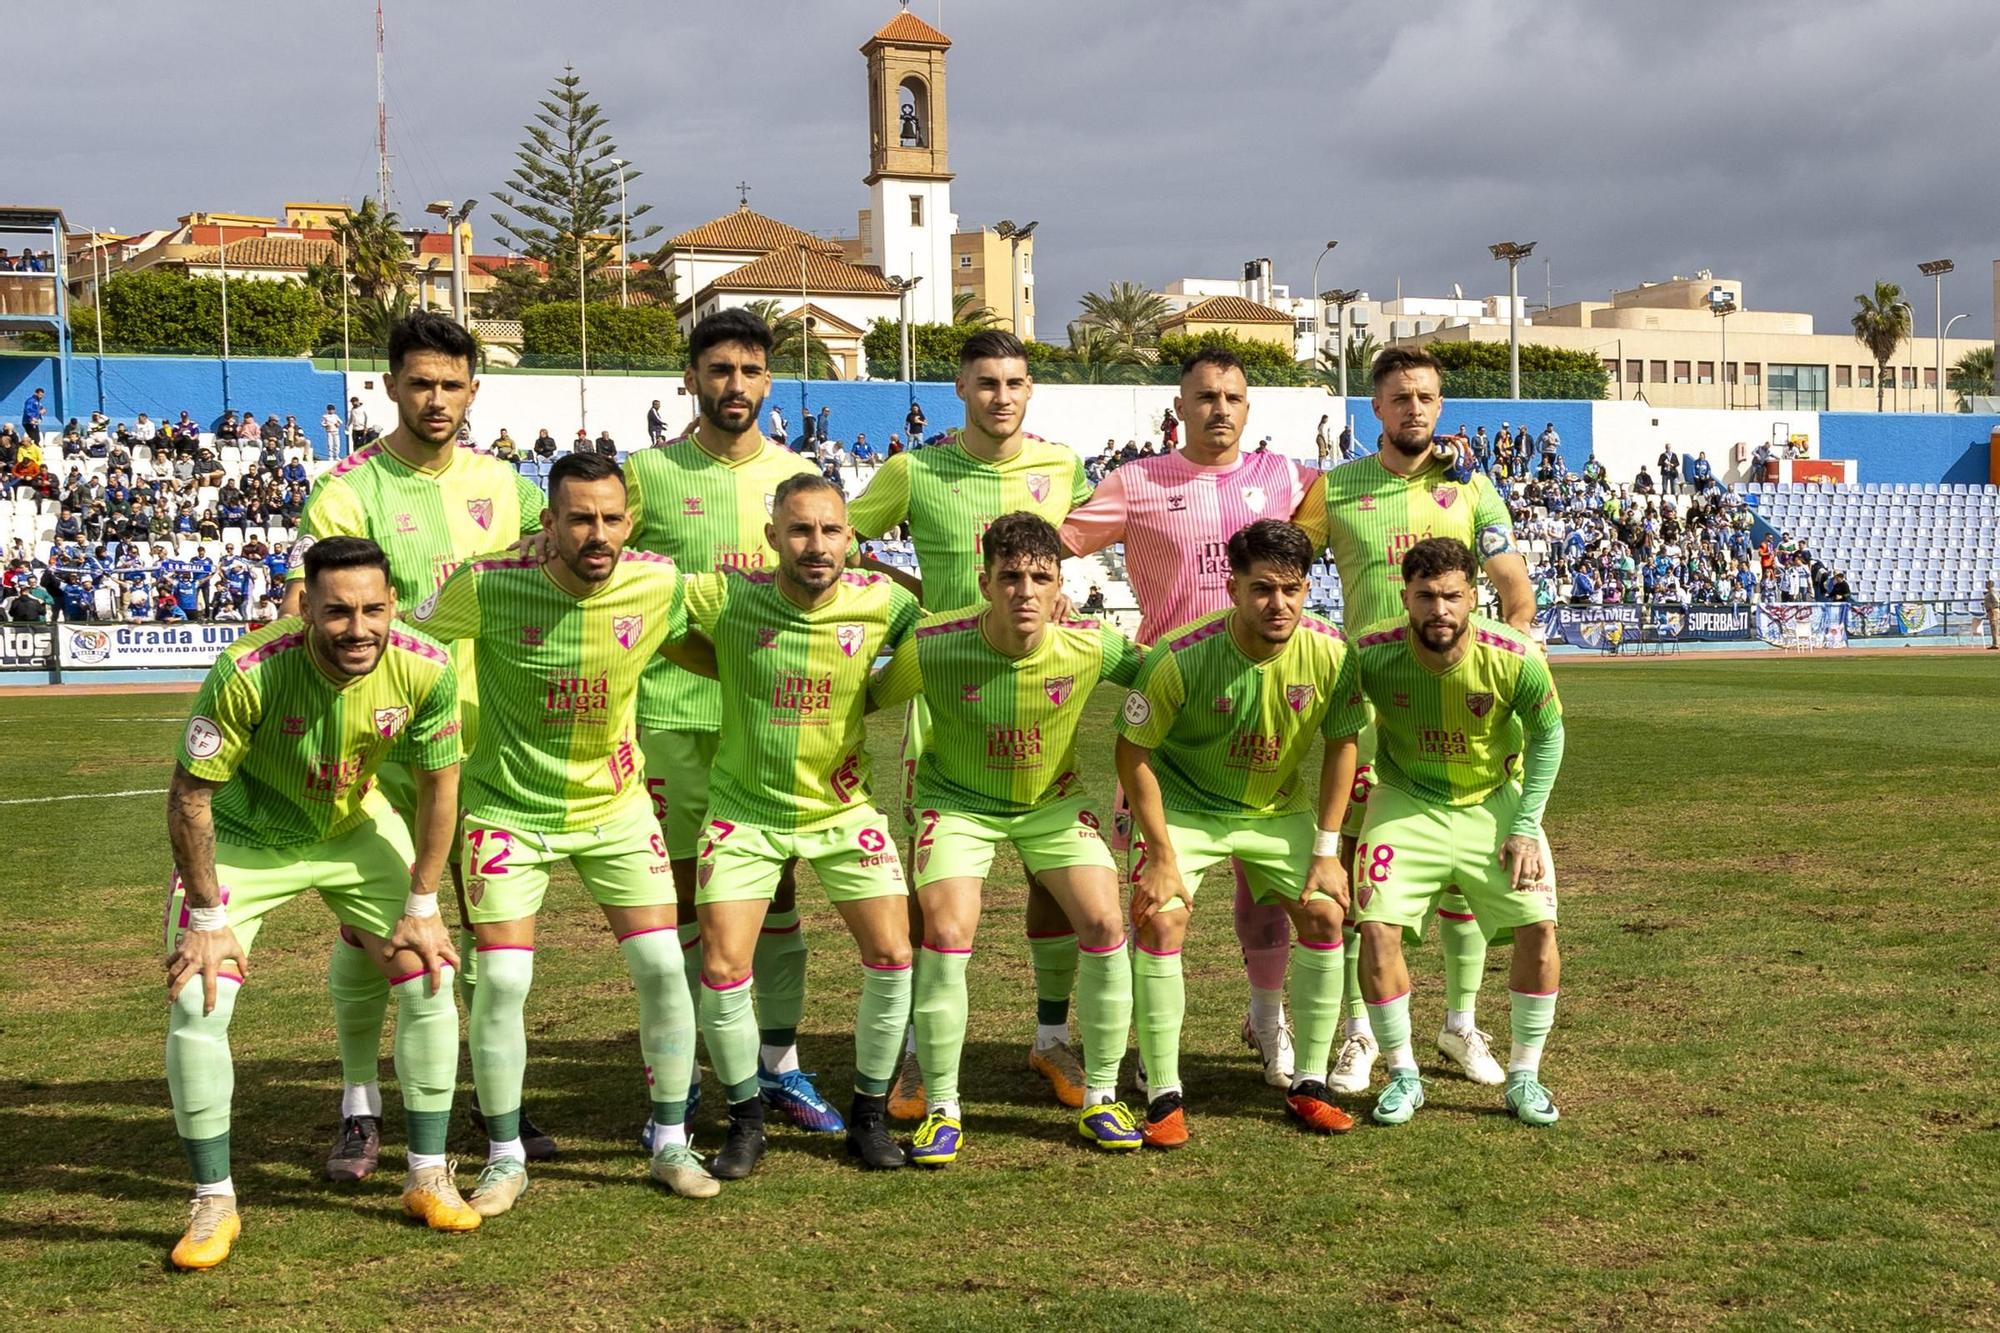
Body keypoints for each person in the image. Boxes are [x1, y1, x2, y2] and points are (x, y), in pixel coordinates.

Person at [282, 311, 553, 1181]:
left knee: (481, 927)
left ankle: (488, 1093)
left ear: (475, 389)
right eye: (421, 383)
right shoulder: (347, 488)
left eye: (452, 384)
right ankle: (361, 1103)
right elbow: (306, 604)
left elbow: (555, 570)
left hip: (489, 741)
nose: (436, 400)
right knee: (374, 928)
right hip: (376, 750)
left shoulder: (507, 485)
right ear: (391, 385)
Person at [412, 451, 720, 1208]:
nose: (597, 533)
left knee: (661, 966)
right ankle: (506, 1154)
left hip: (615, 809)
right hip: (508, 812)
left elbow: (746, 614)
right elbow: (410, 647)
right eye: (580, 517)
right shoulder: (487, 584)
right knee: (505, 978)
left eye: (612, 518)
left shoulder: (656, 581)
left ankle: (672, 1138)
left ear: (629, 521)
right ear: (546, 522)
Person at [160, 536, 476, 1270]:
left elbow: (440, 788)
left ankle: (427, 1174)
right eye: (337, 612)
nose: (357, 627)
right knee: (197, 998)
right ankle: (214, 1200)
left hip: (351, 828)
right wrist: (208, 919)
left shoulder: (425, 665)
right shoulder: (247, 671)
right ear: (306, 608)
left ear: (394, 605)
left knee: (432, 970)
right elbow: (190, 795)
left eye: (372, 609)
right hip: (245, 837)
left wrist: (423, 900)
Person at [847, 329, 1097, 1119]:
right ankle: (923, 1050)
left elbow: (1084, 539)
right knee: (937, 888)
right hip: (945, 700)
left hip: (1037, 698)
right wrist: (902, 601)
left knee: (1049, 878)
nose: (1001, 395)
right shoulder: (914, 469)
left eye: (1015, 381)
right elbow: (841, 537)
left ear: (1031, 390)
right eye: (986, 382)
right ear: (960, 387)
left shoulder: (1061, 467)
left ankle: (1052, 1035)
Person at [1061, 347, 1319, 1088]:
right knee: (1157, 893)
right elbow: (1059, 542)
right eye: (1205, 396)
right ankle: (1152, 1049)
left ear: (1248, 408)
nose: (1220, 408)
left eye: (1234, 396)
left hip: (1262, 708)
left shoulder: (1282, 479)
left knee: (1263, 885)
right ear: (1179, 407)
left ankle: (1268, 1022)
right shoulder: (1137, 483)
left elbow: (1354, 501)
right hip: (1170, 709)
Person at [1293, 344, 1538, 1098]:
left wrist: (1518, 649)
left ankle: (1459, 1021)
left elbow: (1513, 587)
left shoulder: (1472, 489)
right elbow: (1281, 568)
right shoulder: (1334, 489)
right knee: (1362, 881)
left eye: (1427, 397)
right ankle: (1364, 1031)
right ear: (1376, 408)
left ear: (1441, 405)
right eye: (1400, 397)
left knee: (1467, 880)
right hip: (1370, 706)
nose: (1415, 409)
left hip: (1463, 710)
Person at [870, 513, 1146, 1163]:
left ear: (1059, 588)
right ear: (985, 582)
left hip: (1052, 803)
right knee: (947, 928)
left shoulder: (1091, 643)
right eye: (1011, 577)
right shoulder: (934, 643)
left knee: (1107, 920)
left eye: (1040, 577)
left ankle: (1103, 1094)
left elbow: (1165, 678)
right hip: (957, 804)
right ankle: (942, 1107)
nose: (1025, 590)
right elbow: (864, 700)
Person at [623, 310, 828, 1143]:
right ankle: (681, 1075)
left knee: (776, 897)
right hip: (671, 718)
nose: (734, 384)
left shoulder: (800, 474)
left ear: (768, 381)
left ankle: (776, 1063)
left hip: (767, 724)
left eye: (749, 370)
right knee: (674, 906)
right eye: (718, 369)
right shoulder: (647, 474)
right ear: (691, 378)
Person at [684, 473, 922, 1179]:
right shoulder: (728, 596)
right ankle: (745, 1119)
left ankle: (870, 1117)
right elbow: (641, 598)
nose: (815, 544)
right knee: (725, 967)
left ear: (850, 538)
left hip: (842, 810)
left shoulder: (883, 602)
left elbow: (952, 630)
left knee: (894, 955)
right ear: (772, 538)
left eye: (828, 530)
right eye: (799, 530)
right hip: (745, 813)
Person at [1115, 519, 1367, 1148]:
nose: (1277, 604)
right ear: (1232, 588)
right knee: (1161, 917)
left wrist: (1326, 851)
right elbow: (1131, 753)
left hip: (1275, 810)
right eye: (1261, 590)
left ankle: (1309, 1085)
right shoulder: (1182, 653)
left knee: (1325, 914)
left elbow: (1343, 746)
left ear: (1309, 588)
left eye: (1291, 589)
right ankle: (1164, 1090)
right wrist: (1162, 855)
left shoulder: (1333, 652)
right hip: (1185, 809)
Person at [1350, 536, 1566, 1128]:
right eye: (1425, 597)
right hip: (1404, 802)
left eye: (1451, 596)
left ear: (1473, 596)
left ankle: (1524, 1076)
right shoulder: (1370, 653)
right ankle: (1402, 1074)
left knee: (1540, 929)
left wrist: (1525, 827)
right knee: (1377, 930)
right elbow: (1335, 715)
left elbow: (1549, 735)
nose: (1438, 610)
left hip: (1493, 804)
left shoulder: (1514, 654)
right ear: (1406, 597)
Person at [1986, 580, 2000, 650]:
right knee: (1993, 627)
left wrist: (1992, 609)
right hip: (1991, 611)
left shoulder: (1992, 592)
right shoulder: (1989, 592)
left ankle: (1996, 644)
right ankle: (1994, 643)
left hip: (1993, 611)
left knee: (1994, 627)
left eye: (1987, 584)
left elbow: (1996, 601)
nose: (1985, 585)